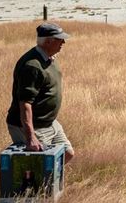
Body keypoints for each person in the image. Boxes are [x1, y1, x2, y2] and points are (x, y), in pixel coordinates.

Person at [6, 23, 76, 162]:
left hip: (49, 123)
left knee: (67, 153)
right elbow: (25, 103)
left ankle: (50, 183)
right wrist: (30, 137)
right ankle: (38, 184)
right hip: (34, 127)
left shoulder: (49, 58)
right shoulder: (32, 66)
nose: (64, 42)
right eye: (59, 39)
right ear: (48, 41)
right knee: (40, 165)